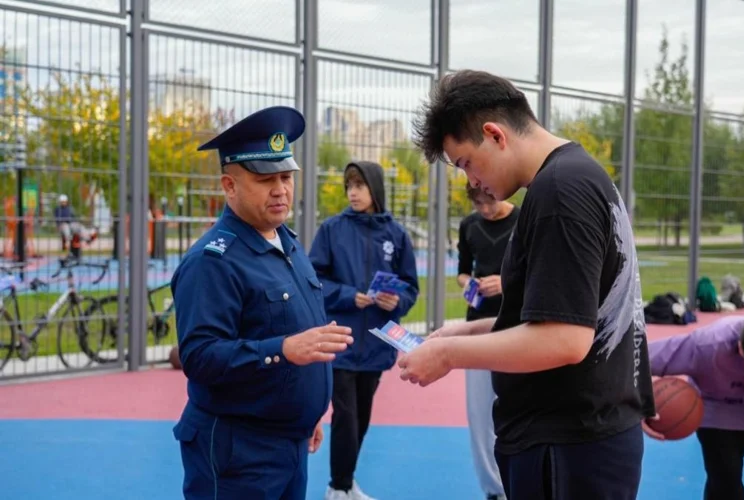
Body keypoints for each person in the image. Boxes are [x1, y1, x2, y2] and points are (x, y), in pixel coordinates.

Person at [398, 69, 656, 500]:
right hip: (580, 438)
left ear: (495, 135)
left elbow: (564, 339)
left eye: (465, 163)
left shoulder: (559, 192)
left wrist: (448, 353)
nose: (471, 181)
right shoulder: (573, 176)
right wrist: (472, 328)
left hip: (568, 446)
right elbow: (561, 311)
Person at [170, 106, 354, 500]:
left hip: (289, 442)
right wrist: (283, 351)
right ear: (229, 186)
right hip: (238, 453)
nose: (280, 189)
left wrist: (307, 411)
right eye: (265, 179)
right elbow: (200, 356)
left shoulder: (286, 242)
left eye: (286, 177)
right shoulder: (212, 262)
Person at [309, 161, 420, 500]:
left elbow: (410, 287)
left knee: (362, 416)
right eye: (348, 185)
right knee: (345, 415)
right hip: (341, 339)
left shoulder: (397, 235)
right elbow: (314, 280)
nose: (353, 192)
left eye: (359, 185)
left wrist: (394, 301)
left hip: (376, 342)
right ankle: (338, 487)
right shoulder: (332, 230)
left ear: (374, 188)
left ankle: (345, 481)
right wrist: (348, 296)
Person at [644, 312, 744, 500]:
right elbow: (635, 360)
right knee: (724, 485)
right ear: (741, 350)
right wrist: (640, 400)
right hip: (718, 406)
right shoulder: (706, 345)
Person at [456, 181, 518, 500]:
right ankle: (493, 490)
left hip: (516, 325)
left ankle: (515, 484)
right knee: (480, 415)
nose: (484, 209)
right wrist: (471, 285)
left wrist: (504, 283)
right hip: (478, 324)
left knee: (516, 407)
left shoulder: (524, 222)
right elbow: (462, 272)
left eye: (488, 202)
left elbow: (536, 273)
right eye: (477, 204)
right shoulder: (468, 226)